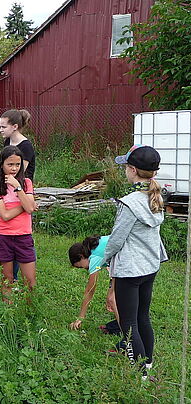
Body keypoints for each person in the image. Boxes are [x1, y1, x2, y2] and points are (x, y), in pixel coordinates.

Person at [104, 145, 167, 378]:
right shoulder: (156, 197)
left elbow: (117, 239)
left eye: (125, 167)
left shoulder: (130, 202)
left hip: (129, 270)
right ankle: (147, 365)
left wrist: (105, 258)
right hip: (149, 266)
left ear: (132, 170)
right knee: (142, 316)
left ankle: (140, 375)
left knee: (128, 323)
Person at [0, 146, 37, 300]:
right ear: (2, 164)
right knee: (7, 279)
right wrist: (25, 206)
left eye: (17, 164)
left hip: (23, 236)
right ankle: (8, 311)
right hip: (5, 236)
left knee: (30, 281)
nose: (14, 168)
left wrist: (17, 186)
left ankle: (29, 312)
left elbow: (29, 208)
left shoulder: (26, 183)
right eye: (10, 164)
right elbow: (5, 215)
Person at [0, 109, 35, 282]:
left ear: (14, 127)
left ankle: (18, 276)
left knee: (20, 230)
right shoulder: (7, 141)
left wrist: (27, 201)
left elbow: (20, 171)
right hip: (7, 192)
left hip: (21, 189)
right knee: (8, 234)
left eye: (3, 126)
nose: (0, 130)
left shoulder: (25, 146)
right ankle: (9, 278)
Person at [68, 235, 119, 330]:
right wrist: (110, 291)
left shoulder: (94, 258)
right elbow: (113, 267)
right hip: (126, 259)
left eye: (80, 266)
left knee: (114, 299)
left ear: (81, 256)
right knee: (113, 297)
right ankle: (121, 325)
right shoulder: (96, 247)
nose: (84, 269)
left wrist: (80, 317)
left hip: (132, 259)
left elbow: (90, 290)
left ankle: (128, 333)